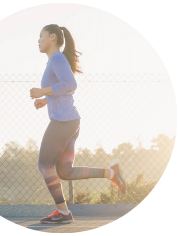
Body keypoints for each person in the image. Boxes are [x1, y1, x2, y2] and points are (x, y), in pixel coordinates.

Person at [30, 24, 127, 224]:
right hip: (70, 121)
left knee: (45, 164)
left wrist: (42, 91)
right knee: (65, 171)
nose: (38, 40)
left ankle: (64, 213)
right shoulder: (54, 60)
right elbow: (64, 89)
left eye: (41, 36)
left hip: (63, 121)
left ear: (53, 38)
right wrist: (46, 99)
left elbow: (70, 84)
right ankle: (112, 173)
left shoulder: (56, 58)